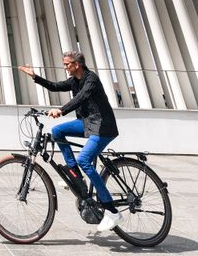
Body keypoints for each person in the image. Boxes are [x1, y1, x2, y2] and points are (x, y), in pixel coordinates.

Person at [19, 51, 123, 231]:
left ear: (77, 64)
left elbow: (81, 97)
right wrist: (35, 76)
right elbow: (54, 86)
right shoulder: (74, 80)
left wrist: (61, 110)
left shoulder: (91, 79)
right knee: (57, 131)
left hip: (102, 126)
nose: (65, 67)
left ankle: (112, 210)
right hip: (87, 123)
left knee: (84, 159)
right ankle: (75, 175)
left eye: (67, 64)